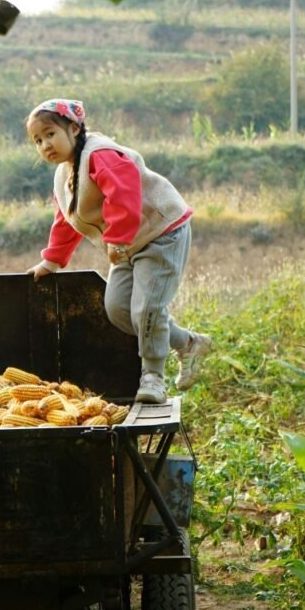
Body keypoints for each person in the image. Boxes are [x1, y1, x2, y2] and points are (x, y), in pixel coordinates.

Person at [26, 97, 211, 404]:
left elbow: (124, 192)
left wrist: (120, 238)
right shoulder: (64, 175)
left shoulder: (100, 154)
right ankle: (188, 343)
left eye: (50, 134)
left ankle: (153, 377)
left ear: (74, 129)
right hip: (125, 244)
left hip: (160, 232)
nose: (45, 144)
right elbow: (67, 218)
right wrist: (52, 261)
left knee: (146, 308)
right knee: (118, 310)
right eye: (37, 140)